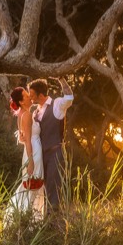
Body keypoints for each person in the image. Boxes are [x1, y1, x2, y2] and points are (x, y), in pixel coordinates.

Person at [30, 77, 73, 212]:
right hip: (42, 155)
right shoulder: (36, 111)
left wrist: (61, 79)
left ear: (41, 95)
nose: (30, 98)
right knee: (45, 187)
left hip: (56, 152)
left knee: (54, 187)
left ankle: (54, 221)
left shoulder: (57, 104)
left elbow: (69, 97)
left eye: (32, 95)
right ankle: (46, 221)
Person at [6, 86, 45, 219]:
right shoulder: (27, 115)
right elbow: (27, 140)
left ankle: (27, 218)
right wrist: (31, 162)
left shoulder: (20, 115)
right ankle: (28, 219)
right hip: (33, 152)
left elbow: (22, 138)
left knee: (31, 186)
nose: (29, 96)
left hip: (29, 151)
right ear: (22, 101)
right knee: (34, 186)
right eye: (27, 96)